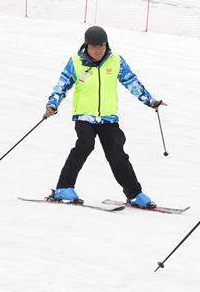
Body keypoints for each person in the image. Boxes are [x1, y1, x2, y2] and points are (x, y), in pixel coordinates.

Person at [44, 25, 165, 207]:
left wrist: (150, 101)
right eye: (95, 46)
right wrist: (52, 104)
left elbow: (131, 82)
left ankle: (134, 194)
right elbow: (62, 85)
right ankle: (64, 187)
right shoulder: (76, 62)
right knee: (85, 144)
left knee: (117, 153)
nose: (99, 49)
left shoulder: (115, 60)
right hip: (84, 116)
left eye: (102, 45)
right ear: (87, 45)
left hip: (108, 118)